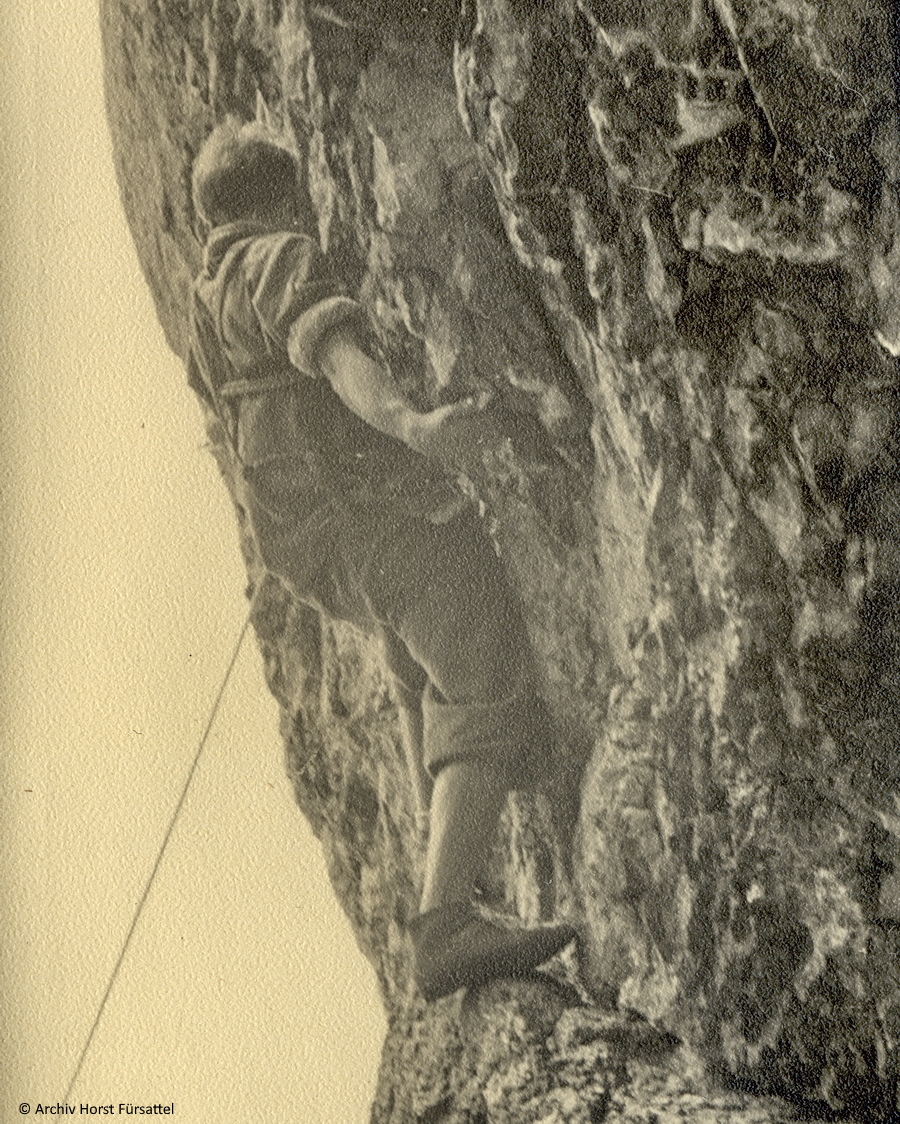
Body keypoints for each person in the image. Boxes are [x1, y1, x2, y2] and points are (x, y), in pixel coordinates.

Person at [187, 117, 576, 1000]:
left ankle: (453, 880)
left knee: (410, 659)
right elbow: (330, 348)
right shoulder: (272, 255)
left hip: (310, 542)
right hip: (361, 512)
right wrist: (412, 423)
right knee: (476, 657)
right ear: (280, 195)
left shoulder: (208, 298)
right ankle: (446, 922)